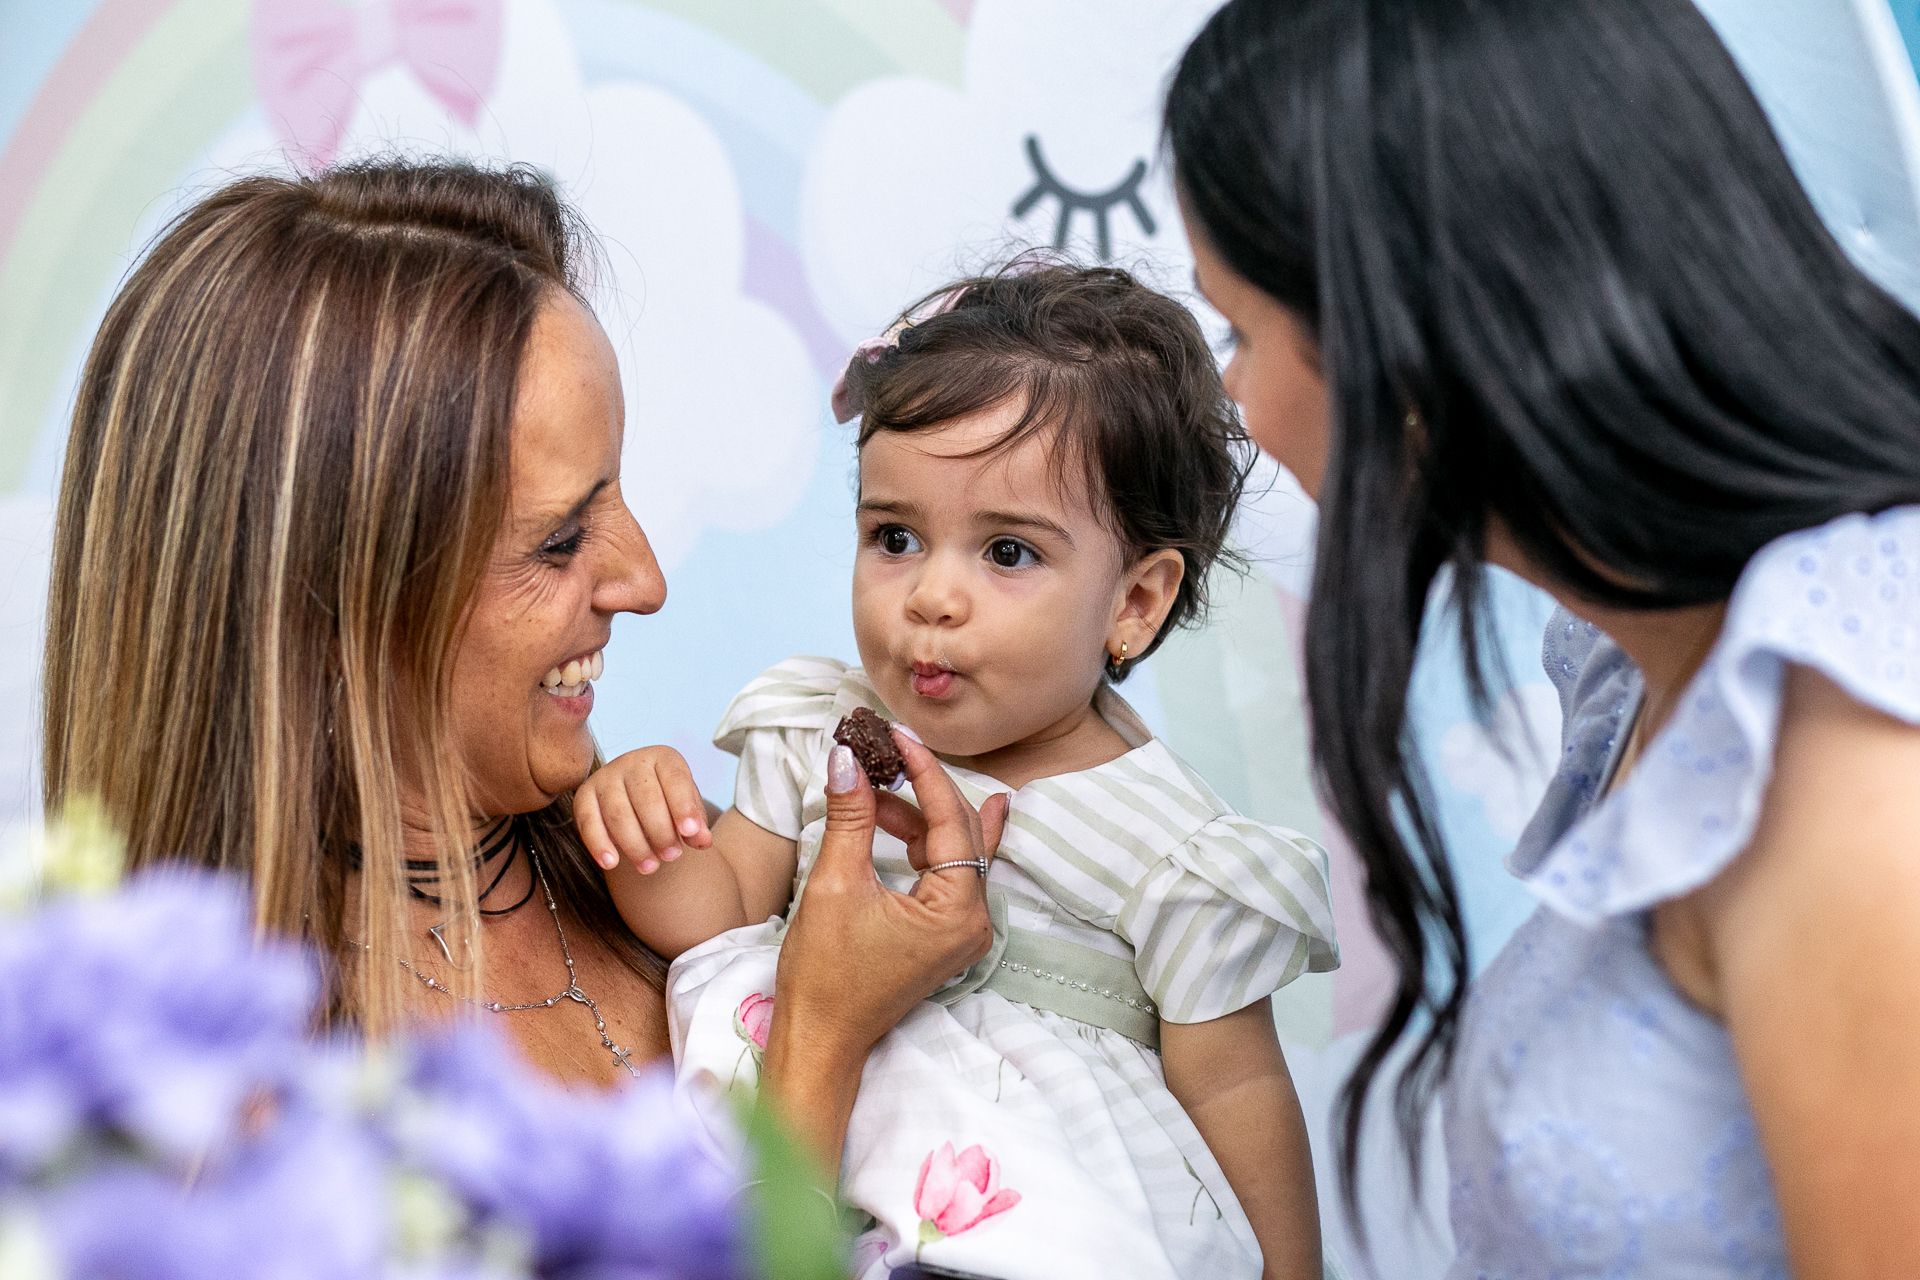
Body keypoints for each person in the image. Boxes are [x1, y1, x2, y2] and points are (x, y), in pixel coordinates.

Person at [39, 159, 999, 1173]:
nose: (645, 581)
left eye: (617, 492)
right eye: (560, 539)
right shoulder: (181, 1109)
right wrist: (822, 1033)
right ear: (322, 608)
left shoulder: (693, 886)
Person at [1164, 0, 1920, 1273]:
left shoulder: (1845, 752)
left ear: (1405, 338)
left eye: (1238, 328)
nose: (1234, 395)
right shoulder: (1653, 668)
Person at [574, 263, 1339, 1280]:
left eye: (1008, 553)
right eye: (895, 537)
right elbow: (713, 916)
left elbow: (1237, 1091)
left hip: (1048, 1232)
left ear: (1136, 603)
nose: (931, 596)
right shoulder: (815, 732)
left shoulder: (1171, 849)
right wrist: (647, 827)